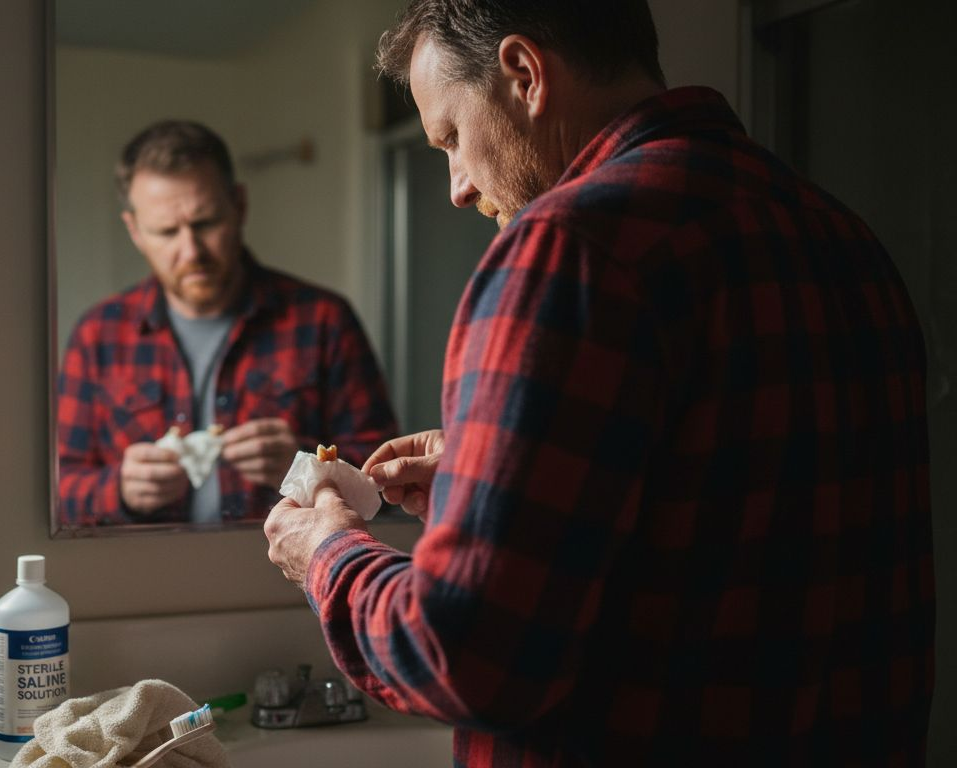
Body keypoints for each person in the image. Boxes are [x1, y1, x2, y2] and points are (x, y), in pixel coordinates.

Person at [264, 1, 934, 765]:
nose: (455, 185)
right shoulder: (840, 236)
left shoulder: (564, 250)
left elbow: (470, 657)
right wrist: (504, 472)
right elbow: (741, 514)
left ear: (524, 75)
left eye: (451, 137)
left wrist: (328, 552)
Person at [55, 120, 397, 527]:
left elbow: (385, 483)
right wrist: (120, 490)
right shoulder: (98, 336)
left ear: (238, 205)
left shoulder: (323, 321)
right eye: (166, 232)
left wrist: (303, 466)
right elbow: (59, 489)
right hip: (138, 580)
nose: (191, 250)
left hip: (292, 579)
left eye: (205, 223)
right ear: (135, 231)